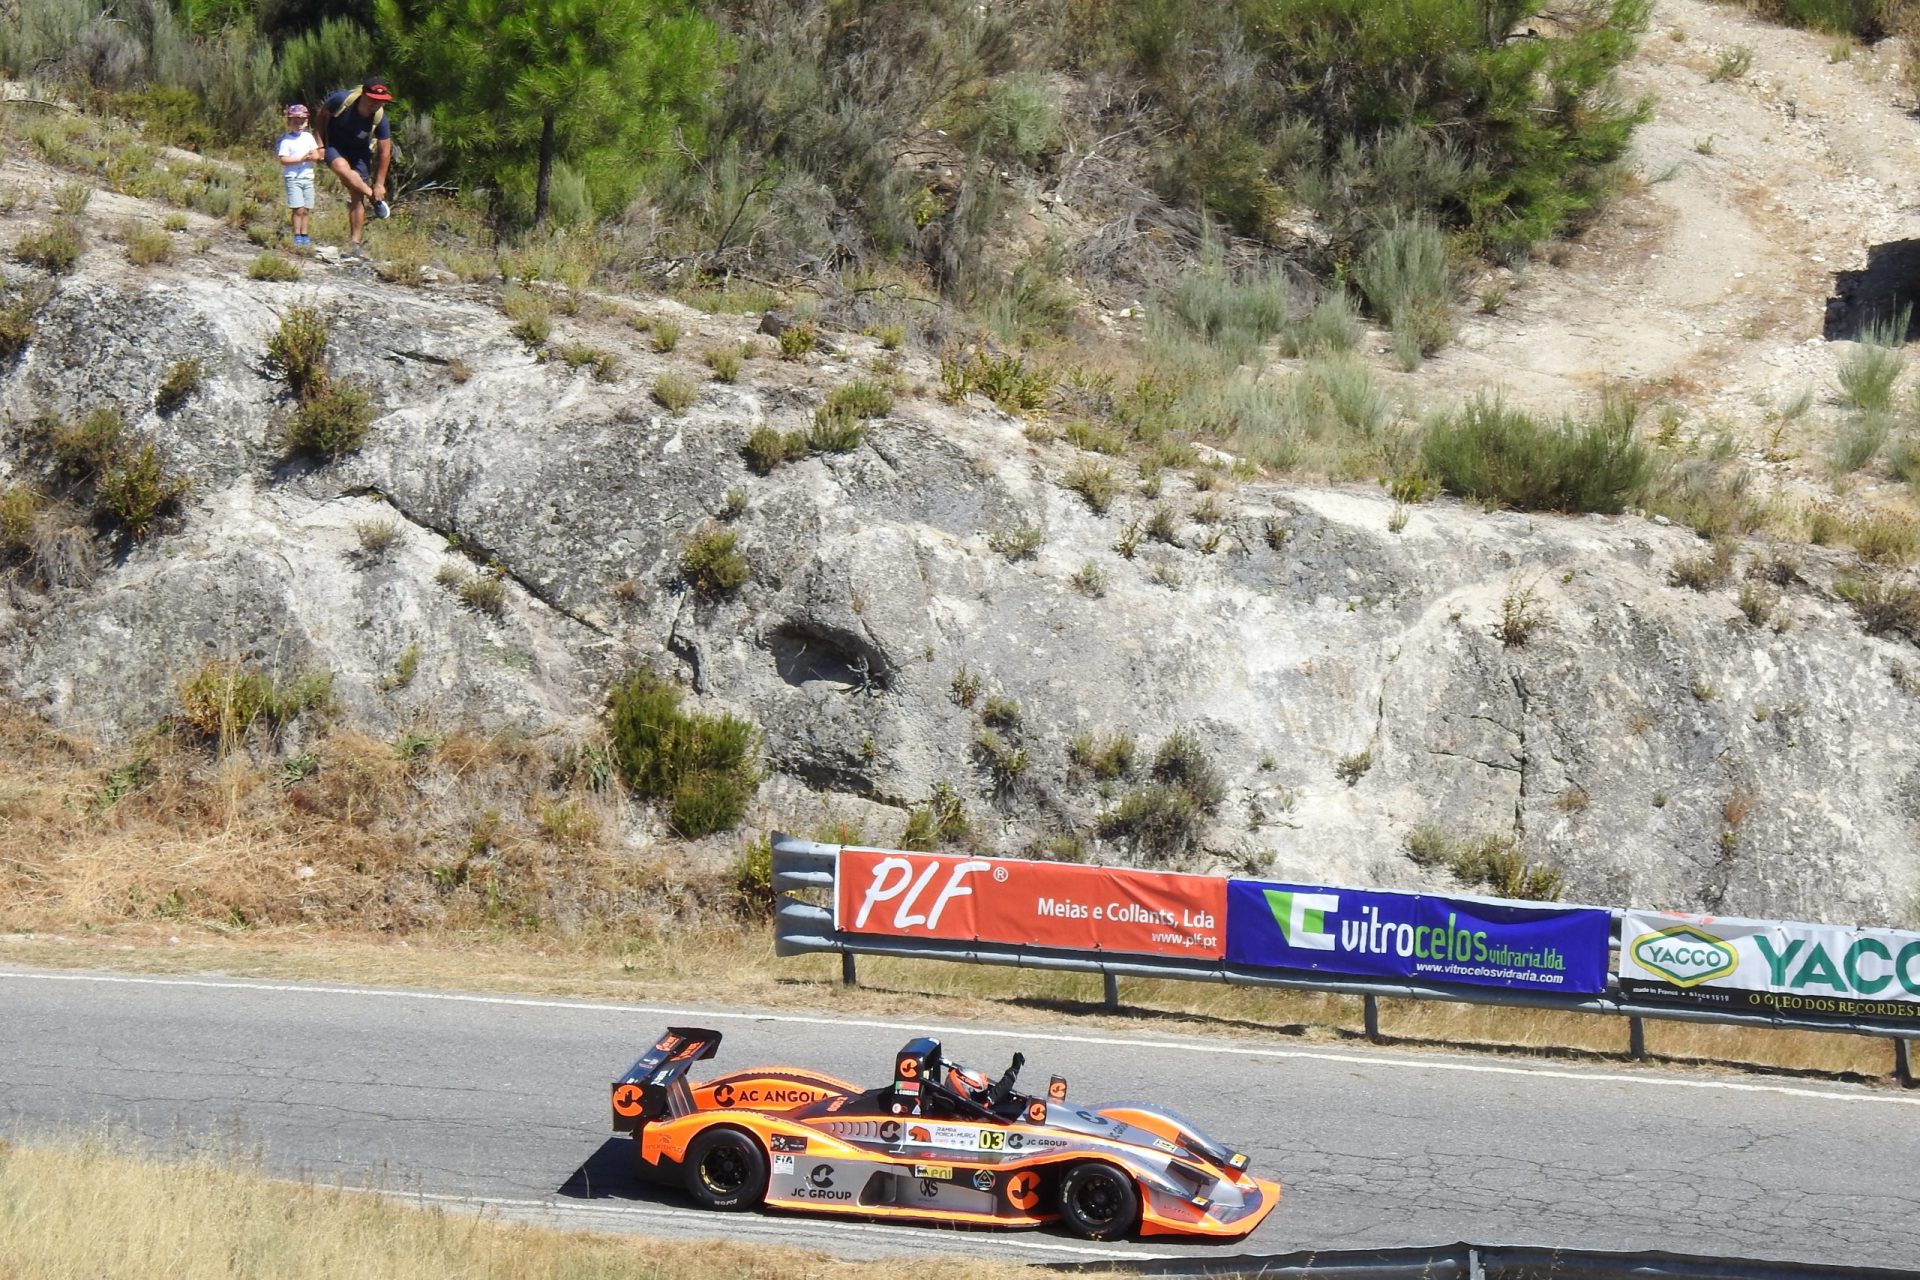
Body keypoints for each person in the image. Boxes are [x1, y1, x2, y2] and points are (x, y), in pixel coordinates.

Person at [315, 81, 394, 258]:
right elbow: (321, 116)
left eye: (380, 100)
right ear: (363, 95)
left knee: (356, 196)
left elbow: (385, 151)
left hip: (359, 153)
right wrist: (320, 146)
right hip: (335, 146)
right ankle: (373, 197)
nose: (376, 104)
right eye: (372, 99)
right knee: (341, 168)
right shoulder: (341, 100)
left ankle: (355, 243)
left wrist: (380, 184)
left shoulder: (380, 118)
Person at [275, 104, 322, 248]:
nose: (299, 125)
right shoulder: (286, 140)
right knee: (298, 208)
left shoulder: (308, 137)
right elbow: (283, 160)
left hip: (307, 177)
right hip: (293, 178)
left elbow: (316, 154)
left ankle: (304, 234)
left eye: (302, 121)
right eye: (295, 121)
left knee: (306, 209)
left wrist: (311, 157)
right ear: (289, 122)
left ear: (307, 122)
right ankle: (297, 235)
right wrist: (301, 159)